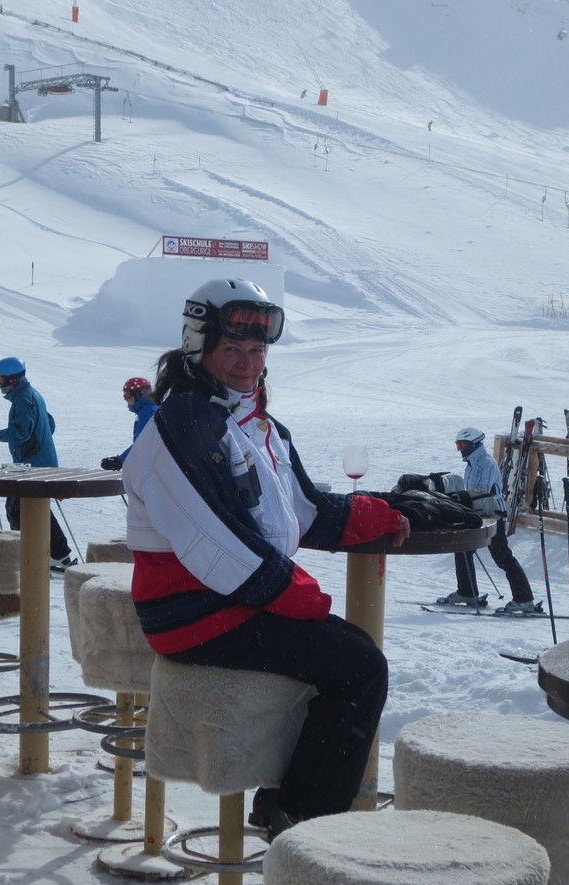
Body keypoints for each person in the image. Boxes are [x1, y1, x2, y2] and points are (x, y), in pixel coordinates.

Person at [120, 278, 410, 839]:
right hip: (195, 614)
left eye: (257, 350)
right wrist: (298, 595)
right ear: (198, 347)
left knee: (347, 652)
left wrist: (384, 514)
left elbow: (303, 512)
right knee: (358, 665)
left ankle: (287, 800)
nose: (247, 364)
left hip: (226, 603)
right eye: (232, 348)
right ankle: (306, 822)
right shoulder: (184, 423)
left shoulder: (253, 425)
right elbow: (218, 546)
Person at [0, 357, 76, 570]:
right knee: (28, 507)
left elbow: (21, 432)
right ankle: (57, 554)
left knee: (19, 509)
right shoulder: (32, 394)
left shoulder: (23, 398)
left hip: (33, 465)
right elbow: (50, 423)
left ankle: (38, 554)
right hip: (34, 462)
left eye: (0, 380)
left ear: (14, 379)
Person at [440, 426, 537, 614]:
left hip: (492, 514)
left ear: (474, 444)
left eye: (463, 445)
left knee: (502, 556)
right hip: (477, 513)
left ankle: (524, 599)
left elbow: (481, 493)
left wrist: (461, 501)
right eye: (458, 446)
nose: (460, 450)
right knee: (463, 549)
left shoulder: (485, 464)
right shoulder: (472, 464)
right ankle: (467, 592)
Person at [100, 376, 158, 470]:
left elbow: (143, 444)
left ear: (140, 393)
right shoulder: (150, 408)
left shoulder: (148, 412)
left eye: (127, 394)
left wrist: (119, 461)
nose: (125, 399)